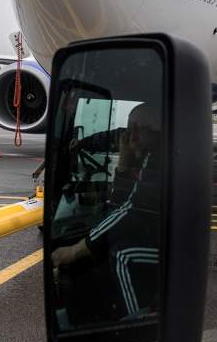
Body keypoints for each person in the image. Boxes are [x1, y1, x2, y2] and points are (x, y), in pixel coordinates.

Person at [51, 103, 161, 319]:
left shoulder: (159, 160)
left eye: (138, 129)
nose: (131, 136)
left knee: (122, 254)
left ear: (156, 131)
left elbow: (133, 210)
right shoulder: (148, 152)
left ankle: (135, 323)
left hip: (180, 252)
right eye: (130, 129)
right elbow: (108, 138)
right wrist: (83, 144)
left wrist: (75, 250)